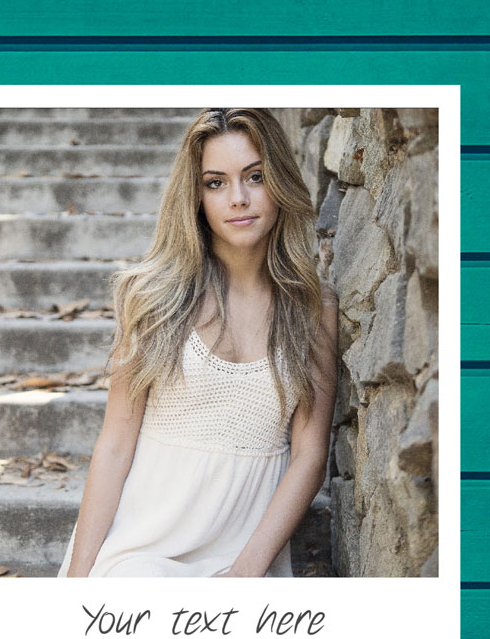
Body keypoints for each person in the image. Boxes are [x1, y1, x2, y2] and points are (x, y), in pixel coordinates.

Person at [57, 107, 337, 578]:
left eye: (255, 176)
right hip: (139, 552)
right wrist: (79, 580)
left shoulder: (312, 306)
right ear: (196, 195)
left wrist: (245, 574)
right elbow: (115, 445)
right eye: (216, 183)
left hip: (243, 557)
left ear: (280, 182)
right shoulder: (153, 296)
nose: (239, 199)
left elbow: (310, 456)